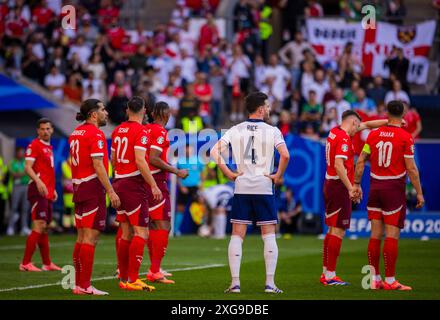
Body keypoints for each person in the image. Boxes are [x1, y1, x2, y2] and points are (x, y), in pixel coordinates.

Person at [210, 92, 290, 294]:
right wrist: (277, 175)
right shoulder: (273, 130)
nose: (270, 109)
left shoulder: (235, 129)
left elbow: (213, 151)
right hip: (264, 186)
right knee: (268, 235)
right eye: (268, 106)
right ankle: (270, 284)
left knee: (237, 235)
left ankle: (235, 283)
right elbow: (285, 155)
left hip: (242, 185)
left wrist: (228, 172)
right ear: (261, 109)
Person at [353, 100, 424, 291]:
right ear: (403, 114)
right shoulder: (405, 137)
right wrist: (419, 193)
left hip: (375, 188)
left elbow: (360, 162)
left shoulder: (373, 135)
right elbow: (412, 169)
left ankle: (374, 279)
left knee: (375, 235)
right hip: (393, 189)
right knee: (392, 235)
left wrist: (356, 184)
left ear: (386, 113)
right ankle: (391, 280)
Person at [321, 110, 392, 286]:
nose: (358, 130)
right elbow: (339, 165)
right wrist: (351, 187)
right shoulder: (344, 139)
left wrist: (389, 121)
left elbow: (367, 125)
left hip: (330, 184)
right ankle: (331, 276)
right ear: (352, 122)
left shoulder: (334, 131)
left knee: (331, 229)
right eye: (356, 126)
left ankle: (326, 273)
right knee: (338, 230)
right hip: (338, 186)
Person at [69, 98, 121, 295]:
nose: (106, 113)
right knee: (90, 238)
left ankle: (77, 284)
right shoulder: (96, 134)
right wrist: (111, 190)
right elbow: (98, 165)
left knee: (82, 238)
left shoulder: (76, 133)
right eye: (103, 109)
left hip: (79, 187)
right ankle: (85, 285)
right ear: (93, 114)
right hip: (92, 188)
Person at [112, 96, 161, 292]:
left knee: (126, 233)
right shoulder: (141, 131)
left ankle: (124, 279)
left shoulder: (117, 130)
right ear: (144, 110)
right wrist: (154, 185)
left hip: (119, 182)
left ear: (127, 110)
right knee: (142, 233)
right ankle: (132, 279)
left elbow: (113, 159)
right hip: (133, 185)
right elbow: (141, 161)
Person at [144, 101, 189, 284]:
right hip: (156, 182)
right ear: (164, 114)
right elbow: (153, 159)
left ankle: (153, 268)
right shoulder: (160, 132)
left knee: (150, 226)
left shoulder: (145, 130)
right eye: (169, 112)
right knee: (163, 226)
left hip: (142, 181)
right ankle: (154, 270)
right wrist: (176, 171)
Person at [20, 118, 61, 272]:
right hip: (37, 190)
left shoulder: (49, 147)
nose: (45, 131)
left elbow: (47, 171)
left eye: (48, 129)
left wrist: (52, 189)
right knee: (39, 224)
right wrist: (38, 182)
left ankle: (47, 263)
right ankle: (25, 263)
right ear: (38, 131)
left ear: (52, 130)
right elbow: (27, 167)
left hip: (47, 191)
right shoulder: (34, 145)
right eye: (42, 129)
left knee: (44, 227)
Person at [175, 144, 205, 235]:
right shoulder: (180, 161)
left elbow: (203, 173)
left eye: (190, 150)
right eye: (186, 150)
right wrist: (181, 186)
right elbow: (177, 175)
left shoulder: (198, 160)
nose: (188, 151)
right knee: (180, 208)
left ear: (192, 151)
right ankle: (176, 230)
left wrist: (201, 184)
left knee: (199, 206)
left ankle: (201, 229)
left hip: (195, 187)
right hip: (184, 187)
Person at [6, 147, 31, 236]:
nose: (22, 154)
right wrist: (25, 172)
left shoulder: (26, 162)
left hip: (26, 186)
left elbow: (30, 172)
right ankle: (10, 227)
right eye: (20, 152)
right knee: (14, 207)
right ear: (16, 153)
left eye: (23, 152)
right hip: (16, 187)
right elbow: (14, 174)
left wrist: (24, 172)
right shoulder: (12, 162)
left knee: (25, 208)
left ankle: (24, 227)